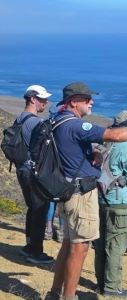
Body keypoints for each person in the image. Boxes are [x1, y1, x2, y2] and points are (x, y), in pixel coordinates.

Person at [46, 83, 127, 300]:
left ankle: (55, 292)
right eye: (87, 99)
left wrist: (90, 161)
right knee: (80, 248)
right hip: (79, 196)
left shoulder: (57, 120)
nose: (91, 102)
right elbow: (113, 136)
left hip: (67, 190)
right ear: (74, 102)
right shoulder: (75, 125)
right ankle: (68, 297)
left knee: (69, 245)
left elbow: (70, 155)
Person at [94, 110, 127, 298]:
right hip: (120, 201)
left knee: (101, 243)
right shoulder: (126, 144)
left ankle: (101, 283)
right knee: (116, 245)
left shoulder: (107, 140)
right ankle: (112, 287)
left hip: (103, 197)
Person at [17, 85, 54, 264]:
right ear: (32, 99)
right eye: (42, 99)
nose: (45, 103)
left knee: (33, 208)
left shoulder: (21, 118)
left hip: (22, 169)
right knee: (40, 209)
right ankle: (35, 251)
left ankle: (29, 246)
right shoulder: (35, 122)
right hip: (32, 171)